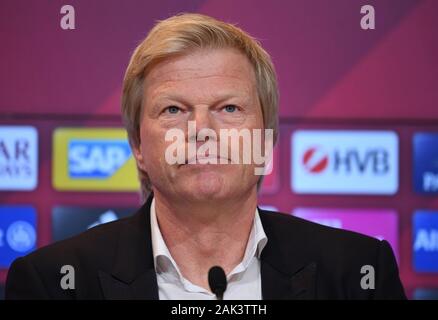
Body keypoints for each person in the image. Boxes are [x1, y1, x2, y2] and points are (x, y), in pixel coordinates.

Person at [5, 13, 406, 300]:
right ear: (139, 147)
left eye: (229, 108)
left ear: (266, 142)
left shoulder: (357, 274)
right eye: (174, 110)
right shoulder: (52, 283)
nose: (202, 131)